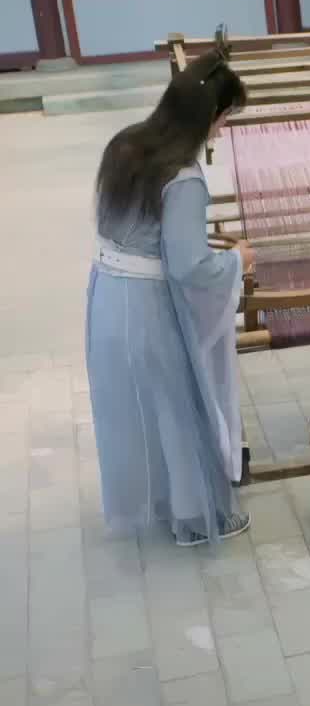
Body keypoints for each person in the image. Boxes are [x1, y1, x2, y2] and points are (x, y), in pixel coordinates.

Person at [86, 50, 253, 547]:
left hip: (105, 296)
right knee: (180, 408)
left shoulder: (125, 145)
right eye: (225, 118)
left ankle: (158, 503)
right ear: (209, 115)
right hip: (147, 307)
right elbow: (189, 266)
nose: (222, 129)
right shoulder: (183, 178)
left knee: (135, 409)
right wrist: (238, 259)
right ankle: (197, 519)